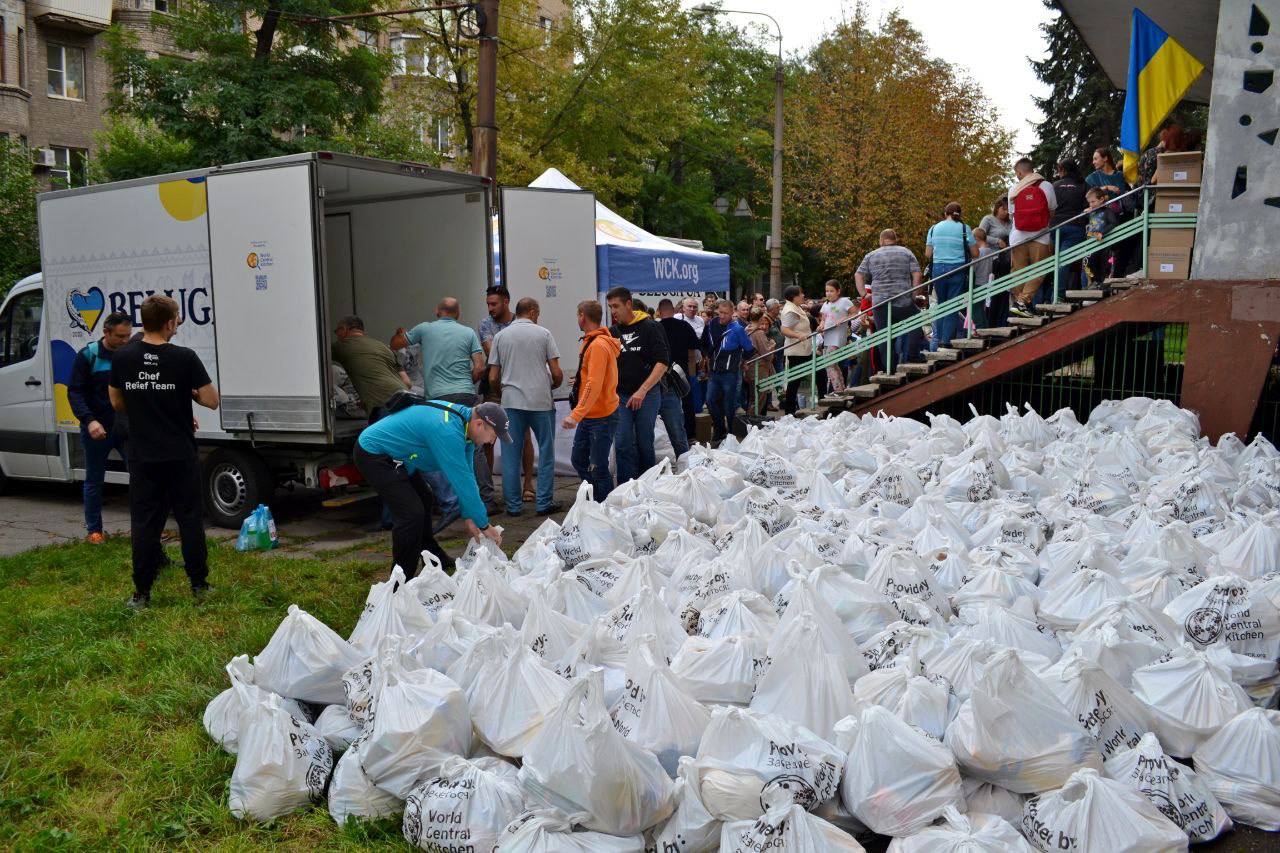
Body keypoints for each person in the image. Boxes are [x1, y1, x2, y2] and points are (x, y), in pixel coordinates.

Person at [108, 296, 219, 610]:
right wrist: (188, 392)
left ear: (144, 321)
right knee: (189, 521)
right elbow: (212, 400)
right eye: (177, 318)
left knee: (144, 525)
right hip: (180, 454)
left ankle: (141, 594)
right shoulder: (184, 358)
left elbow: (116, 402)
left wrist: (146, 397)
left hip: (143, 455)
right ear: (170, 322)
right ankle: (199, 585)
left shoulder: (123, 356)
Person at [355, 400, 506, 575]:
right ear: (479, 424)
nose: (492, 442)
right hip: (374, 453)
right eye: (494, 435)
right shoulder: (448, 430)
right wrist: (484, 524)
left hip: (399, 457)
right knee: (410, 514)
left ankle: (434, 557)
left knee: (425, 499)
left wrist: (469, 516)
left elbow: (467, 475)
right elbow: (460, 479)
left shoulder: (465, 426)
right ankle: (400, 582)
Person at [399, 297, 493, 530]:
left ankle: (449, 500)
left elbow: (396, 343)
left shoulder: (424, 329)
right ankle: (485, 498)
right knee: (475, 448)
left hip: (438, 399)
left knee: (440, 449)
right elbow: (480, 367)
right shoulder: (468, 333)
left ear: (437, 311)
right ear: (458, 313)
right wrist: (465, 383)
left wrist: (400, 333)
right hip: (464, 395)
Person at [487, 297, 563, 516]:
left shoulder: (501, 337)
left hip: (511, 402)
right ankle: (544, 503)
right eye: (537, 313)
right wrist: (552, 385)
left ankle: (513, 506)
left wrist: (503, 392)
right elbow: (556, 372)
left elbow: (493, 376)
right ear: (531, 312)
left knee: (511, 454)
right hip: (541, 401)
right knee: (547, 452)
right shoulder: (544, 334)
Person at [68, 311, 132, 544]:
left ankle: (145, 527)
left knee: (140, 477)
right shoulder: (88, 356)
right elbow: (75, 392)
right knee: (94, 480)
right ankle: (94, 531)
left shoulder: (129, 354)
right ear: (106, 332)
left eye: (128, 336)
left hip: (126, 428)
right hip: (97, 429)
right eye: (120, 336)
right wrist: (89, 420)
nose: (125, 341)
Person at [477, 285, 535, 506]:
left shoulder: (521, 322)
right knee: (487, 440)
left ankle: (528, 484)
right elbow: (492, 352)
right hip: (493, 388)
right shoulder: (485, 324)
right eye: (488, 304)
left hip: (518, 384)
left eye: (494, 304)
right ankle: (488, 490)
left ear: (506, 302)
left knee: (523, 436)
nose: (490, 308)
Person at [607, 286, 669, 484]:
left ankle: (648, 485)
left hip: (648, 394)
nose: (613, 311)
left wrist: (643, 390)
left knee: (644, 441)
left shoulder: (650, 327)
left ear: (628, 304)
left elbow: (662, 362)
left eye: (616, 306)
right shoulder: (612, 331)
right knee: (623, 442)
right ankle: (627, 487)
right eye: (610, 307)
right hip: (621, 396)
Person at [562, 300, 622, 499]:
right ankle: (595, 499)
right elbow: (593, 379)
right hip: (593, 414)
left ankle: (604, 508)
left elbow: (594, 384)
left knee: (597, 467)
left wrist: (575, 415)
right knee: (579, 459)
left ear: (582, 316)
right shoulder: (593, 342)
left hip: (600, 416)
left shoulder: (597, 345)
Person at [855, 229, 924, 373]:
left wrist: (863, 294)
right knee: (916, 322)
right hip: (903, 299)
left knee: (884, 336)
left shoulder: (871, 255)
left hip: (880, 302)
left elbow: (859, 275)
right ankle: (912, 356)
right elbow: (917, 273)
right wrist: (915, 292)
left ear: (881, 240)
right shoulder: (906, 252)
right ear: (895, 239)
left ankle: (889, 369)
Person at [1007, 157, 1058, 317]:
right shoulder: (1046, 185)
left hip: (1017, 236)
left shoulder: (1014, 189)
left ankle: (1019, 303)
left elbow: (1011, 216)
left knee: (1018, 271)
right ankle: (1023, 302)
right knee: (1040, 269)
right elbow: (1052, 211)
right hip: (1041, 235)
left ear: (1020, 172)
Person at [332, 316, 411, 420]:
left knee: (380, 436)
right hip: (405, 397)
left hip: (383, 403)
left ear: (344, 329)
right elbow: (407, 382)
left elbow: (316, 357)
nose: (337, 335)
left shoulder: (342, 346)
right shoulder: (383, 346)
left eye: (337, 331)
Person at [924, 203, 978, 349]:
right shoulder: (964, 228)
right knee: (953, 305)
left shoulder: (934, 228)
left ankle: (938, 337)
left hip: (938, 269)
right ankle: (946, 341)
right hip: (957, 269)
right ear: (959, 214)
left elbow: (928, 254)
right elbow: (975, 253)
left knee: (941, 304)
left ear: (945, 212)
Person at [701, 299, 755, 440]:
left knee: (729, 405)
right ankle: (720, 429)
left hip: (730, 373)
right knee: (710, 401)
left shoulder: (737, 329)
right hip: (714, 371)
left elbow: (749, 349)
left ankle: (730, 433)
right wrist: (706, 356)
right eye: (720, 313)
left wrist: (742, 361)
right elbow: (704, 342)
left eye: (725, 313)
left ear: (733, 313)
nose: (722, 316)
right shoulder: (712, 323)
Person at [657, 298, 697, 451]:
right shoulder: (684, 326)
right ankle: (690, 436)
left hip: (661, 377)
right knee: (686, 406)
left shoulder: (656, 327)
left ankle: (667, 442)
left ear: (659, 312)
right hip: (682, 374)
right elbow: (692, 351)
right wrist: (691, 374)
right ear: (674, 311)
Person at [1050, 160, 1088, 298]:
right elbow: (1088, 206)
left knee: (1055, 261)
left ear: (1063, 170)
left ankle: (1053, 295)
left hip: (1055, 227)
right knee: (1063, 261)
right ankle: (1058, 295)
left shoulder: (1054, 186)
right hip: (1075, 226)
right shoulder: (1083, 185)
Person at [778, 285, 816, 414]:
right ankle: (789, 411)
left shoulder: (795, 307)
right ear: (794, 297)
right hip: (797, 351)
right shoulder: (790, 310)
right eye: (801, 294)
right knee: (794, 382)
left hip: (803, 350)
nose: (803, 295)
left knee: (796, 381)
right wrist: (798, 335)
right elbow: (784, 329)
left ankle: (790, 411)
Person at [818, 280, 855, 391]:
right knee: (831, 364)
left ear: (838, 291)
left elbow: (854, 313)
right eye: (827, 291)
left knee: (829, 362)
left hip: (839, 336)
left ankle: (838, 389)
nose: (828, 293)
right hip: (828, 336)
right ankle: (840, 388)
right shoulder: (825, 304)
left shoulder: (845, 301)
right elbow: (823, 319)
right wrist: (821, 326)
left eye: (831, 291)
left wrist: (843, 319)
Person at [1083, 187, 1119, 285]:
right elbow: (1082, 222)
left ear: (1102, 199)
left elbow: (1113, 223)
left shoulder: (1107, 211)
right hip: (1091, 243)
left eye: (1093, 202)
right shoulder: (1091, 212)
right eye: (1089, 202)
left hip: (1104, 243)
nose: (1091, 205)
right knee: (1086, 263)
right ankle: (1092, 282)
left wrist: (1102, 233)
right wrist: (1084, 213)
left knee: (1103, 265)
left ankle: (1101, 283)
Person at [744, 307, 775, 416]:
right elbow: (766, 354)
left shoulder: (746, 329)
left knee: (753, 397)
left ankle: (750, 421)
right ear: (761, 317)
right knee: (759, 399)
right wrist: (772, 344)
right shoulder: (758, 333)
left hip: (749, 367)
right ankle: (752, 422)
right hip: (759, 369)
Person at [765, 299, 785, 373]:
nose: (779, 309)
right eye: (777, 307)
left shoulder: (777, 319)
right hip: (773, 353)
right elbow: (765, 335)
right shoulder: (765, 319)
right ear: (771, 309)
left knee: (780, 372)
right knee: (777, 373)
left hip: (780, 351)